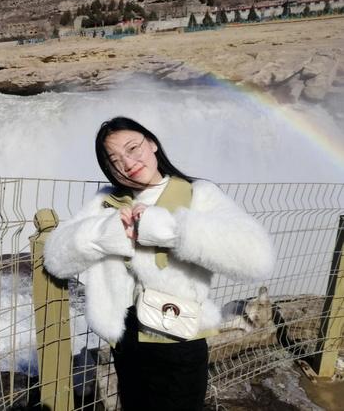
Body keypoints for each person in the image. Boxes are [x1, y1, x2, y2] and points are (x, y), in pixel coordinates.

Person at [43, 116, 275, 410]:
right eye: (114, 159)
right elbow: (56, 259)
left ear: (152, 143)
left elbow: (257, 257)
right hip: (125, 339)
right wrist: (107, 232)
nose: (127, 163)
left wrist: (167, 229)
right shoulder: (106, 201)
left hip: (178, 339)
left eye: (133, 148)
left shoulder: (197, 193)